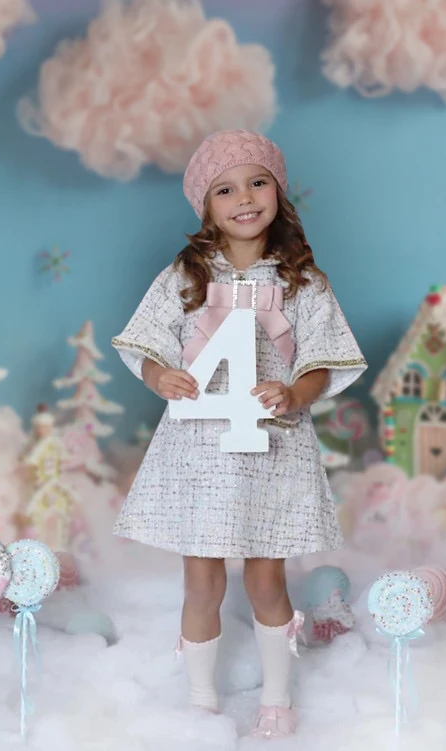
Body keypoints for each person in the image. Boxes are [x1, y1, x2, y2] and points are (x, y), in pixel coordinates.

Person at [110, 129, 366, 739]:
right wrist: (160, 375)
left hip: (270, 445)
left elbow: (322, 360)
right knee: (201, 578)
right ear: (205, 206)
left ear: (278, 190)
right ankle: (202, 697)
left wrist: (294, 394)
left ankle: (277, 696)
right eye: (224, 189)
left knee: (265, 575)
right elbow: (145, 344)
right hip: (200, 447)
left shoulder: (304, 282)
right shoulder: (185, 276)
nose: (244, 198)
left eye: (257, 182)